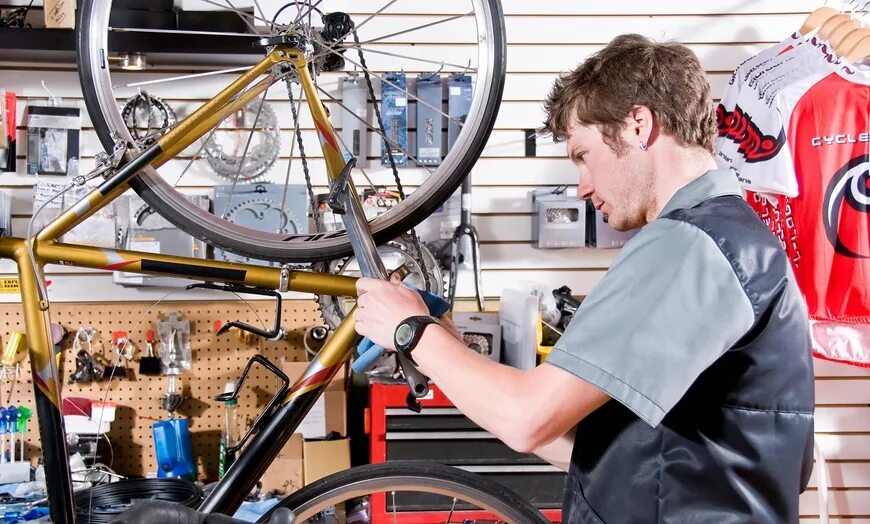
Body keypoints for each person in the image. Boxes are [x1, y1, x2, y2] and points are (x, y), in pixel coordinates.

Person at [354, 34, 815, 523]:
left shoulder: (691, 246)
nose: (582, 186)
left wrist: (411, 330)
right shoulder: (718, 240)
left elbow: (526, 419)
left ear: (639, 125)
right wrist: (451, 355)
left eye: (583, 155)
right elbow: (598, 453)